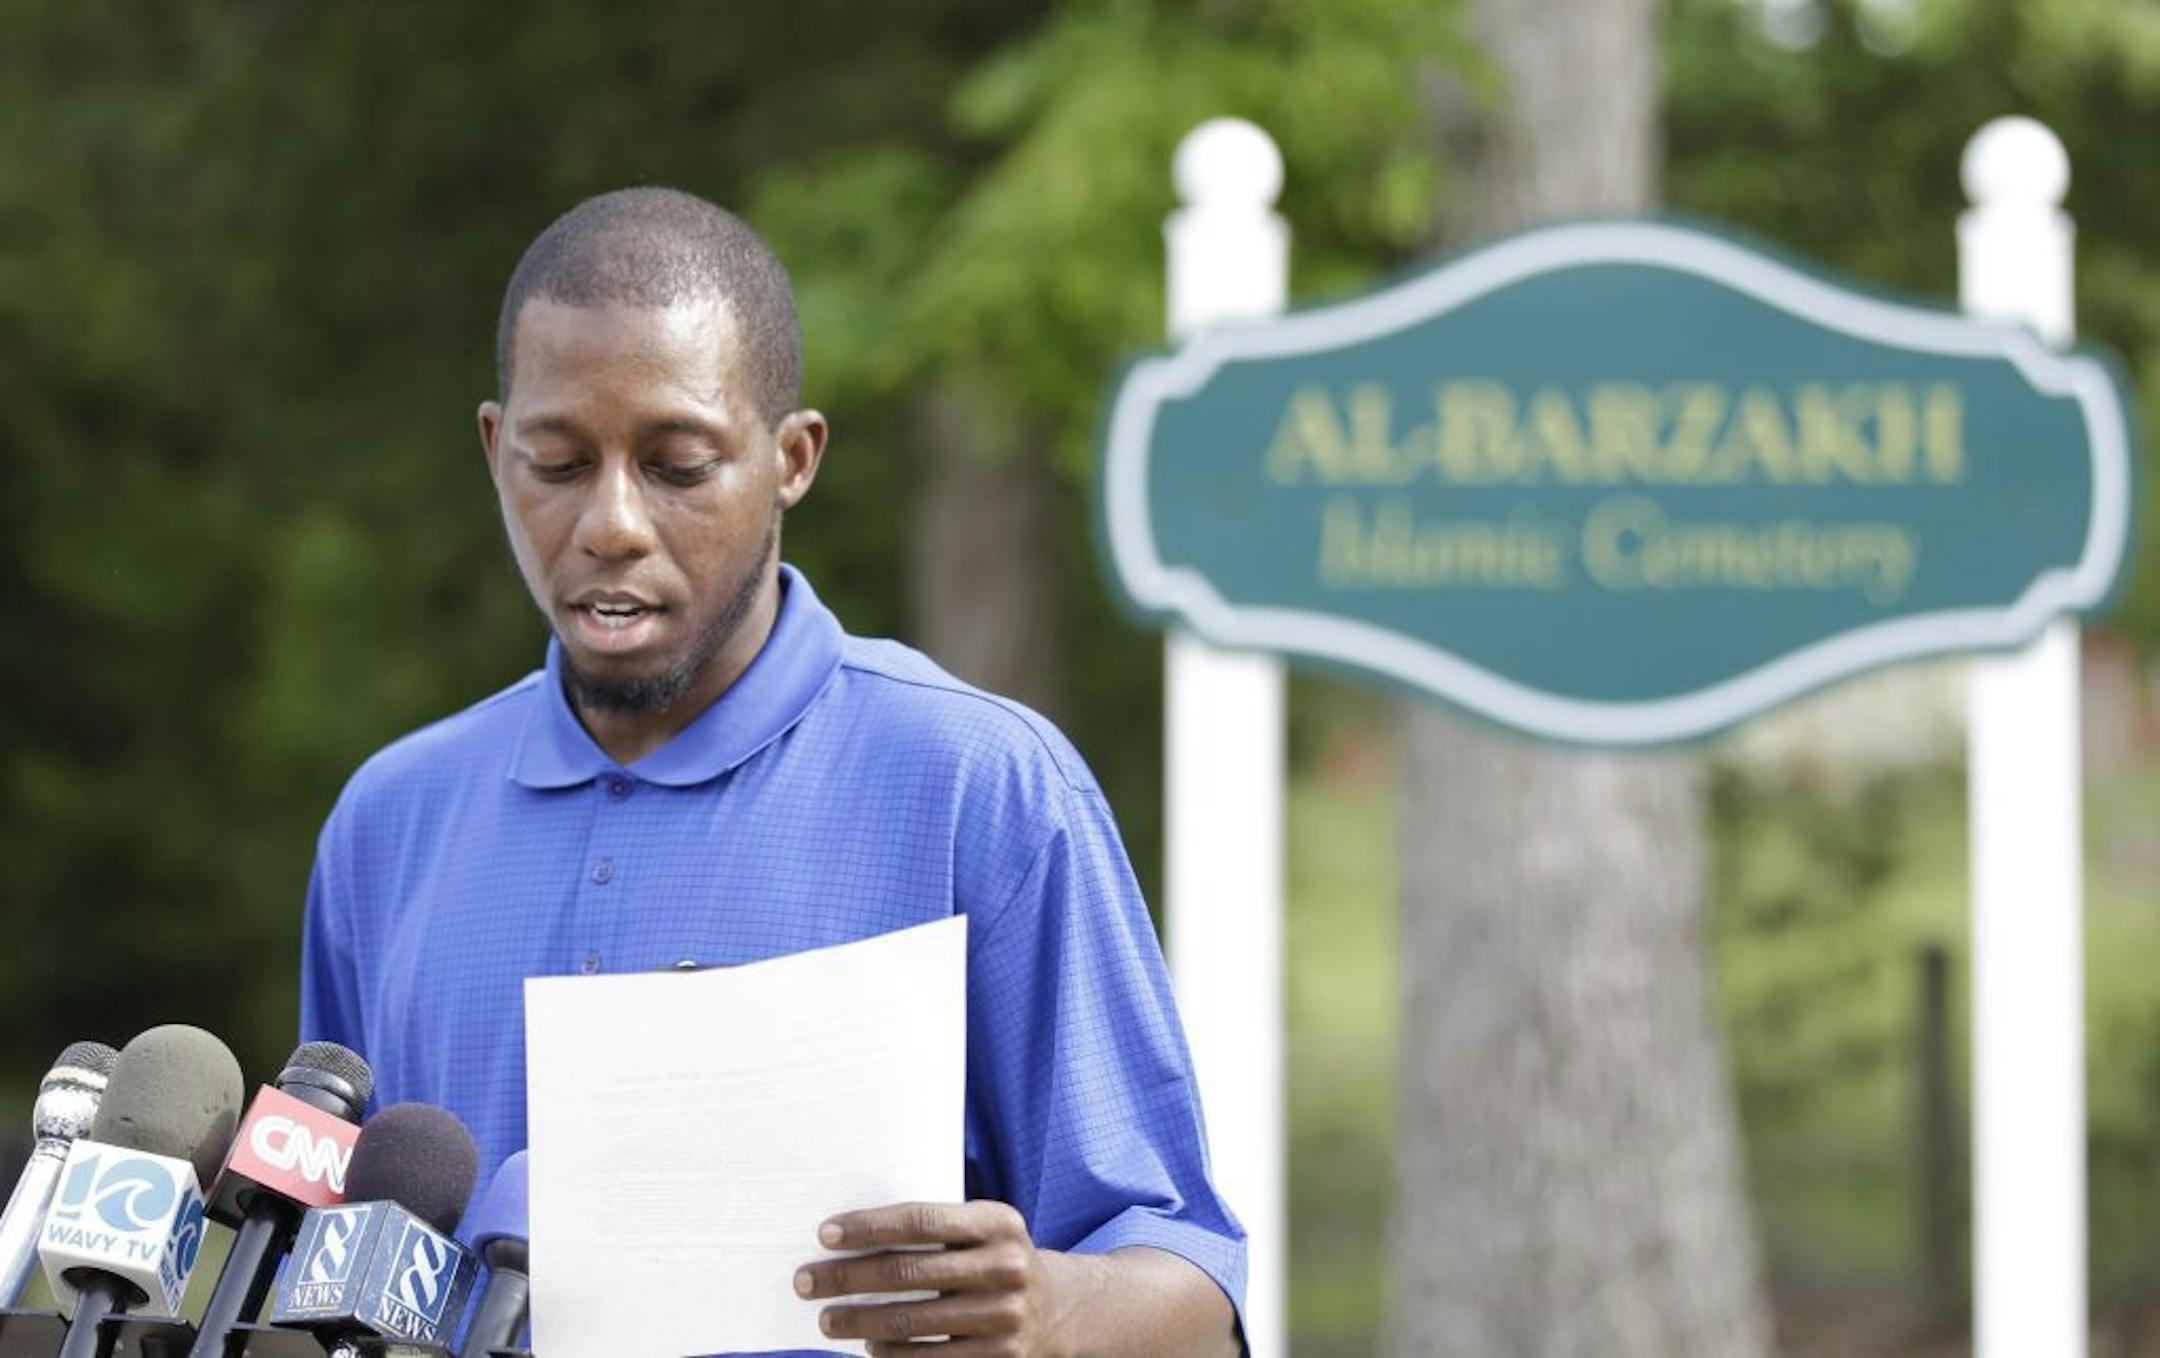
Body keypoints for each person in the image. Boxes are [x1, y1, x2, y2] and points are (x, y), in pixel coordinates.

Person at [298, 187, 1245, 1356]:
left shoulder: (978, 786)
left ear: (791, 459)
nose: (611, 522)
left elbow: (1195, 1293)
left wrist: (1051, 1307)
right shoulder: (387, 822)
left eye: (679, 466)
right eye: (557, 461)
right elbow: (327, 1268)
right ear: (496, 450)